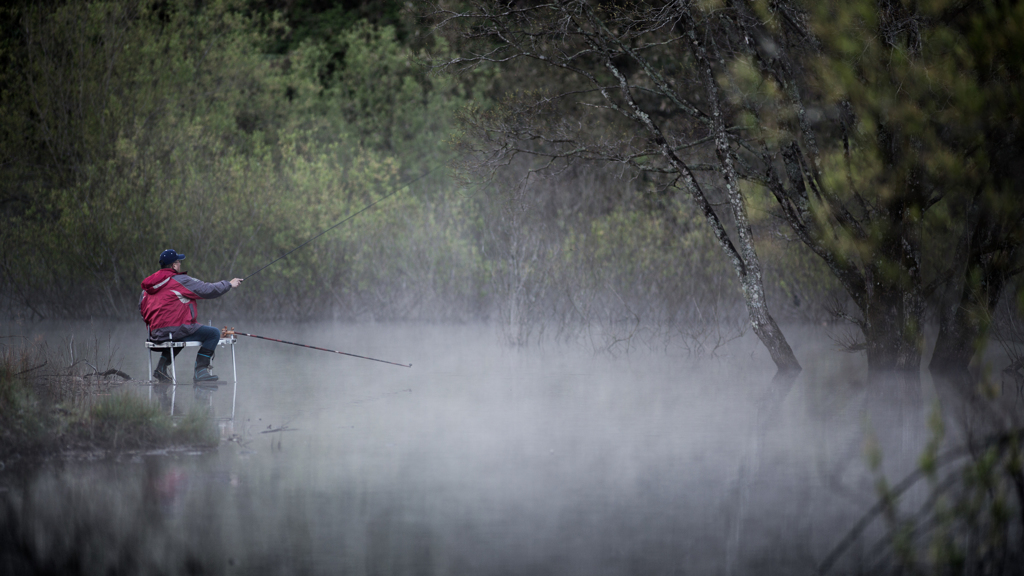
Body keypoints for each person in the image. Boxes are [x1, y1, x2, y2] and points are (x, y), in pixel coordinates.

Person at [140, 249, 242, 384]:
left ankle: (161, 368)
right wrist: (228, 284)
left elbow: (141, 309)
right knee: (213, 333)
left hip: (155, 333)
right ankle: (201, 371)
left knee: (179, 334)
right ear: (174, 266)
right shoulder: (179, 280)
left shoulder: (148, 287)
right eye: (179, 262)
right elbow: (207, 289)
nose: (180, 264)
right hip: (175, 331)